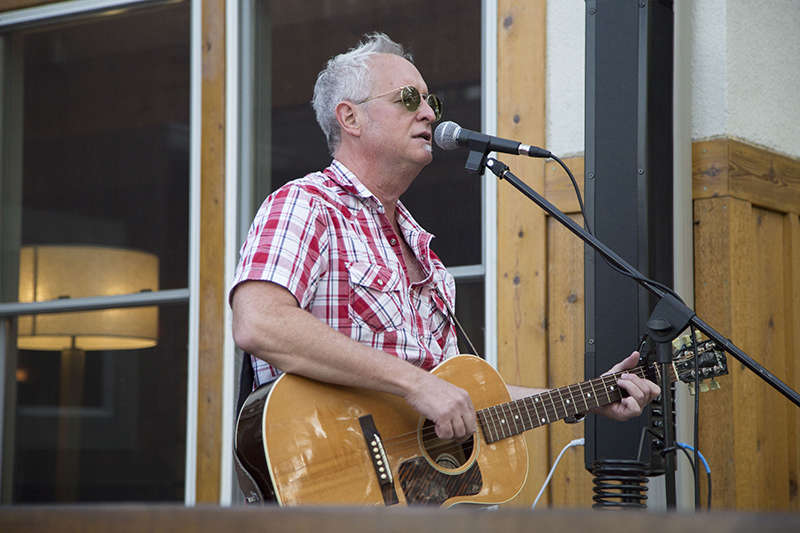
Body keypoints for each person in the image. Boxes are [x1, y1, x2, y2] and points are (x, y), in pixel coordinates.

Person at [230, 32, 660, 447]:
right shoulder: (307, 204)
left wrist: (588, 398)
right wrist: (414, 382)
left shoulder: (421, 250)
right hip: (323, 477)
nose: (430, 114)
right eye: (409, 99)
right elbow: (259, 322)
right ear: (350, 118)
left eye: (431, 101)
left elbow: (458, 399)